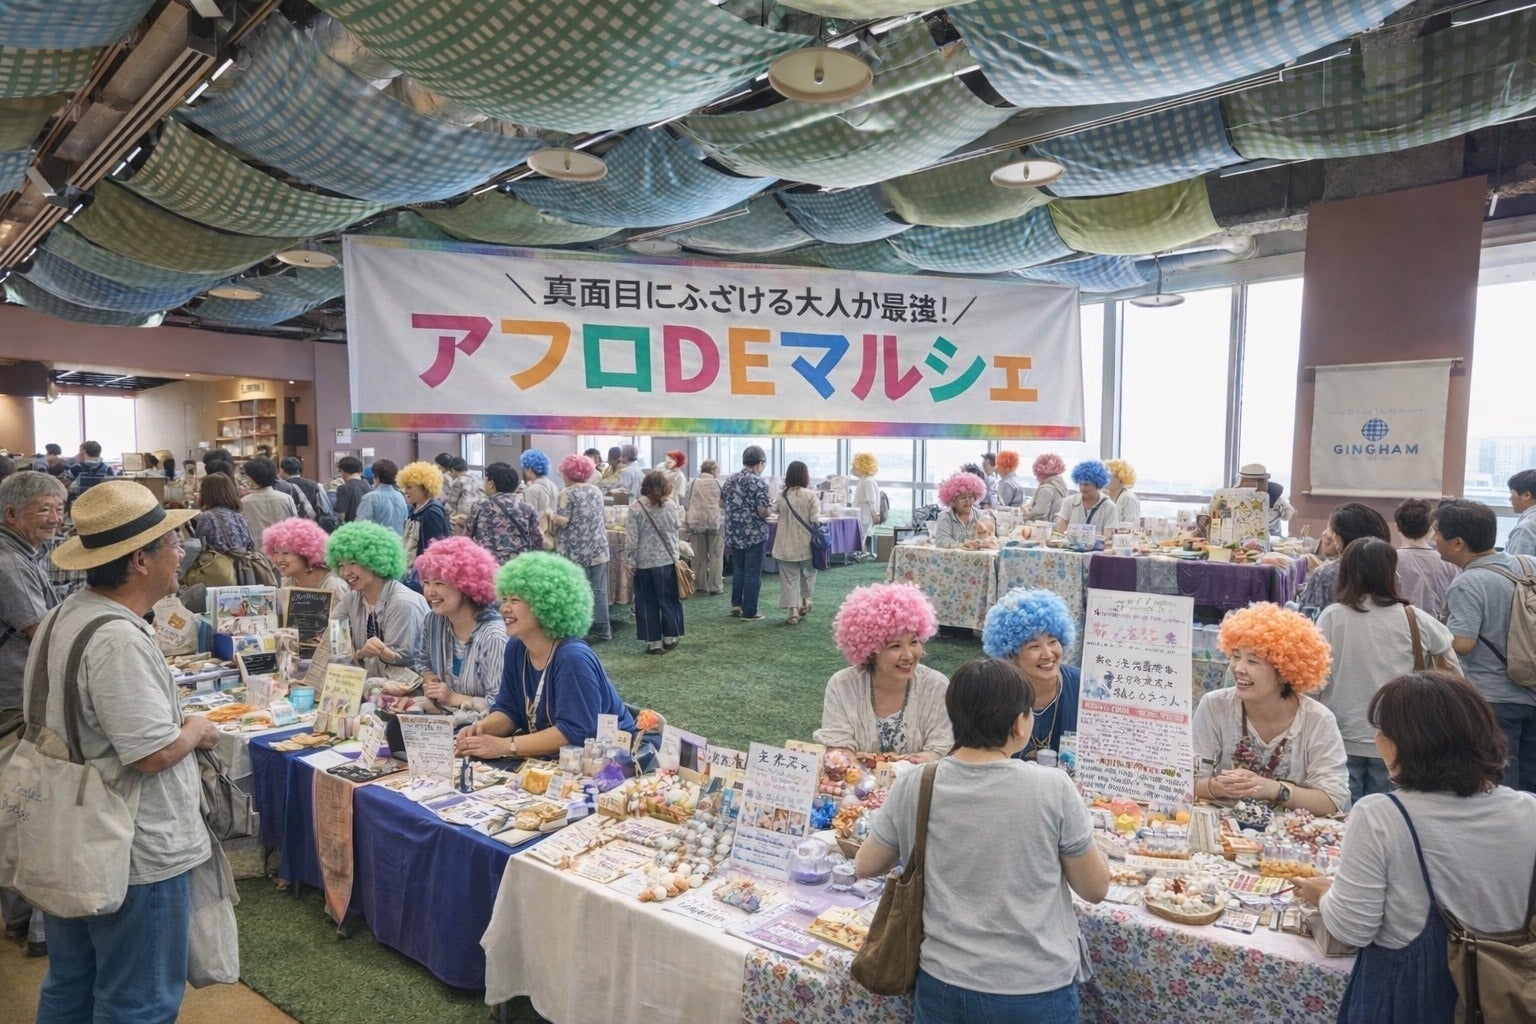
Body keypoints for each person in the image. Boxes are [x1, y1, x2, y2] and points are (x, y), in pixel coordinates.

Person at [32, 482, 211, 1022]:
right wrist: (197, 730)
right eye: (172, 543)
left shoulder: (67, 613)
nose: (181, 553)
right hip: (131, 845)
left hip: (72, 830)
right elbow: (151, 753)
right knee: (139, 1001)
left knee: (72, 984)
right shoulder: (117, 638)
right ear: (140, 561)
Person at [854, 658, 1109, 1023]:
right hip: (1033, 985)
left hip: (942, 982)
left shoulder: (917, 782)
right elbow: (1094, 888)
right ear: (1020, 723)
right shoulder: (1051, 786)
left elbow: (866, 864)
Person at [1294, 671, 1536, 1022]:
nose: (1377, 740)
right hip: (1508, 997)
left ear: (1400, 745)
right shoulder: (1529, 810)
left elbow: (1351, 928)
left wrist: (1323, 895)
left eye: (1382, 732)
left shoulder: (1381, 815)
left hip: (1411, 999)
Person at [1316, 538, 1459, 804]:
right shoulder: (1414, 617)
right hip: (1398, 737)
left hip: (1341, 733)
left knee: (1340, 816)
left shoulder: (1333, 617)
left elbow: (1315, 680)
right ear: (1391, 571)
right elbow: (1451, 669)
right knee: (1387, 815)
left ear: (1346, 571)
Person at [454, 552, 636, 760]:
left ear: (544, 605)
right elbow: (509, 711)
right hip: (555, 759)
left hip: (610, 761)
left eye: (515, 600)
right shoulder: (516, 647)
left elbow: (575, 732)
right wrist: (481, 728)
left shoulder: (572, 658)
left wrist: (505, 746)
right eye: (504, 599)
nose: (504, 608)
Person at [1192, 603, 1351, 814]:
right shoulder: (1214, 705)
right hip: (1223, 828)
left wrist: (1273, 789)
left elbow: (1332, 800)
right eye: (1236, 656)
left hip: (1293, 832)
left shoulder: (1318, 720)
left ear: (1285, 671)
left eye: (1253, 661)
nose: (1239, 668)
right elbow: (1186, 780)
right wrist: (1216, 787)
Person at [0, 472, 66, 958]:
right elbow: (39, 631)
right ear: (10, 514)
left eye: (60, 508)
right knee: (29, 808)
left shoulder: (23, 554)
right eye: (44, 508)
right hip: (15, 699)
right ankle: (36, 926)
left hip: (15, 693)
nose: (55, 518)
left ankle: (22, 918)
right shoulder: (9, 562)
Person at [1432, 498, 1536, 792]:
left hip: (1494, 697)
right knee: (1531, 784)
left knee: (1500, 783)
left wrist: (1432, 631)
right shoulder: (1528, 564)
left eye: (1437, 532)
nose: (1433, 539)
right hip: (1531, 689)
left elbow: (1464, 643)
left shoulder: (1468, 582)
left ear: (1458, 543)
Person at [816, 582, 952, 759]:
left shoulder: (936, 685)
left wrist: (913, 762)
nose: (908, 655)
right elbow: (838, 746)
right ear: (871, 651)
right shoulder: (843, 685)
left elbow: (939, 749)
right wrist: (849, 759)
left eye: (914, 642)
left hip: (917, 776)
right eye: (895, 646)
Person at [407, 536, 506, 716]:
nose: (430, 592)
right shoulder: (433, 620)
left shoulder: (493, 636)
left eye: (439, 583)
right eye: (426, 583)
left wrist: (453, 698)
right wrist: (430, 678)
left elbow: (499, 704)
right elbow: (422, 660)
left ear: (465, 586)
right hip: (444, 719)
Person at [982, 586, 1080, 762]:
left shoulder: (1081, 686)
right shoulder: (996, 693)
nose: (1048, 654)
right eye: (1034, 646)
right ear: (1011, 655)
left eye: (1053, 641)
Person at [327, 521, 429, 679]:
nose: (346, 572)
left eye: (353, 563)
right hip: (370, 685)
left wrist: (368, 653)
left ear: (374, 561)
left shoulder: (403, 602)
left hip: (407, 688)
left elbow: (401, 659)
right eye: (340, 565)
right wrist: (359, 653)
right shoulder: (352, 598)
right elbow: (338, 644)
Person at [545, 453, 611, 643]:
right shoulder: (596, 490)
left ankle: (580, 629)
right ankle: (604, 629)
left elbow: (564, 521)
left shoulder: (567, 493)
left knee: (576, 589)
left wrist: (550, 514)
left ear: (568, 473)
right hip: (597, 548)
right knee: (598, 590)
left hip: (574, 550)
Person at [1297, 502, 1392, 614]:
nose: (1325, 534)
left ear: (1340, 540)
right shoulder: (1391, 574)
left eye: (1331, 529)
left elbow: (1306, 618)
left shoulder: (1326, 575)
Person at [626, 470, 684, 654]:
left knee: (645, 602)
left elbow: (632, 539)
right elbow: (676, 528)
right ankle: (670, 636)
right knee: (668, 599)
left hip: (643, 563)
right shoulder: (671, 505)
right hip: (666, 560)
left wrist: (629, 560)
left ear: (644, 486)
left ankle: (653, 642)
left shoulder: (635, 508)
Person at [722, 445, 771, 621]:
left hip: (734, 531)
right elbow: (763, 511)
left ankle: (737, 604)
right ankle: (750, 611)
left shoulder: (730, 480)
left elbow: (721, 504)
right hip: (754, 534)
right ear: (759, 463)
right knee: (752, 573)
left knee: (739, 569)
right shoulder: (759, 483)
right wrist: (770, 511)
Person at [464, 461, 543, 564]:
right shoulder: (528, 508)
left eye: (485, 480)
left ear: (491, 485)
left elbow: (466, 538)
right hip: (518, 565)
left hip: (488, 565)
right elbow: (537, 541)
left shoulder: (480, 506)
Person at [1392, 497, 1458, 618]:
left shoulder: (1388, 561)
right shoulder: (1449, 562)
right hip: (1438, 626)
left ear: (1397, 527)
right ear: (1431, 528)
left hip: (1400, 624)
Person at [772, 460, 820, 624]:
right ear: (805, 476)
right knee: (809, 574)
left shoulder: (782, 495)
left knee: (789, 578)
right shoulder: (811, 495)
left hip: (785, 543)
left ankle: (793, 611)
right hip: (806, 543)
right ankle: (806, 601)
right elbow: (815, 519)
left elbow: (774, 510)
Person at [261, 515, 348, 605]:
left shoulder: (333, 585)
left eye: (286, 553)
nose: (278, 559)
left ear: (306, 554)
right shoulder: (288, 582)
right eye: (275, 552)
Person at [398, 461, 452, 574]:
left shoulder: (432, 512)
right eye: (404, 487)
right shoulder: (414, 510)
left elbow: (436, 548)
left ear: (424, 488)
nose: (405, 491)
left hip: (425, 572)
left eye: (409, 487)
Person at [685, 459, 724, 595]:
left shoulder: (692, 483)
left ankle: (700, 585)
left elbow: (686, 503)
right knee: (716, 556)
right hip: (715, 523)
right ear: (713, 470)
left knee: (698, 556)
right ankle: (715, 586)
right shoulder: (719, 483)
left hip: (696, 522)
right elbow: (723, 504)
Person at [238, 456, 297, 547]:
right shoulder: (286, 498)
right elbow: (295, 525)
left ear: (252, 478)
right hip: (282, 549)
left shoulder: (244, 502)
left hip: (256, 551)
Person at [1053, 459, 1120, 534]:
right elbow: (1061, 528)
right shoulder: (1069, 502)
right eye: (1080, 484)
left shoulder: (1109, 507)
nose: (1082, 488)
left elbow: (1109, 535)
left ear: (1097, 484)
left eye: (1087, 484)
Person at [193, 472, 254, 554]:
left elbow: (199, 547)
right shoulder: (240, 517)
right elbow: (250, 545)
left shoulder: (207, 517)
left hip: (219, 561)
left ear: (206, 493)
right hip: (243, 560)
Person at [931, 472, 994, 549]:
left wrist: (982, 533)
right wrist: (963, 545)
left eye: (970, 497)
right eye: (963, 498)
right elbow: (941, 542)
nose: (968, 501)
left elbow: (992, 543)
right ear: (953, 500)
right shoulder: (946, 516)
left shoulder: (980, 515)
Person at [1236, 463, 1295, 535]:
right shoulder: (1234, 498)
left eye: (1259, 482)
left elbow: (1288, 514)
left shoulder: (1274, 494)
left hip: (1271, 535)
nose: (1256, 485)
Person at [356, 458, 408, 535]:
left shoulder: (370, 498)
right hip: (399, 541)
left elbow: (361, 526)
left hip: (377, 541)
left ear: (376, 477)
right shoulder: (400, 496)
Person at [279, 457, 331, 525]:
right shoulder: (315, 485)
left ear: (283, 471)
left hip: (290, 524)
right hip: (311, 524)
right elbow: (324, 507)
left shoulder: (281, 487)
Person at [1022, 452, 1068, 522]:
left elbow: (1039, 513)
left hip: (1044, 526)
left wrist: (1022, 515)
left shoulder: (1046, 489)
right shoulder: (1059, 485)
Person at [519, 450, 560, 515]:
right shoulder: (553, 485)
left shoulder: (532, 490)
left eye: (525, 468)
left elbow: (530, 515)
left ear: (529, 469)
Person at [332, 455, 371, 524]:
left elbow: (341, 515)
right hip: (368, 526)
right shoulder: (368, 486)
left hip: (351, 527)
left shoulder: (343, 488)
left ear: (342, 471)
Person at [1507, 468, 1536, 556]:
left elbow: (1517, 563)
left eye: (1512, 494)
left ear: (1527, 495)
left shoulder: (1526, 528)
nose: (1510, 499)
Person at [1104, 459, 1140, 527]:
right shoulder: (1104, 495)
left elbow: (1132, 527)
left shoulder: (1128, 498)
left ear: (1121, 480)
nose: (1106, 479)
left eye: (1110, 477)